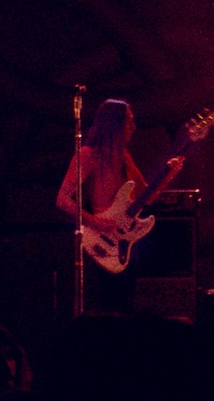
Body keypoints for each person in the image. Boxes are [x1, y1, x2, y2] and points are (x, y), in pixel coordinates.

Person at [56, 98, 184, 313]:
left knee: (125, 306)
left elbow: (147, 197)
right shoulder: (88, 155)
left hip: (123, 241)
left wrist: (168, 174)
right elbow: (62, 199)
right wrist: (95, 222)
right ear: (114, 125)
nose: (133, 127)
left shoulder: (124, 157)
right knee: (105, 308)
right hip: (98, 241)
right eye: (128, 122)